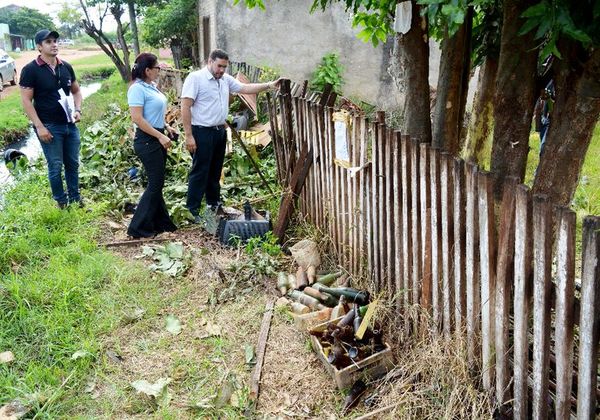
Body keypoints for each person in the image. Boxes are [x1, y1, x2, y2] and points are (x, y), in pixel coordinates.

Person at [180, 49, 282, 223]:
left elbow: (245, 88)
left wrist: (270, 85)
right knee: (200, 171)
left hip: (219, 131)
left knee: (215, 170)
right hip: (202, 131)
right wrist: (188, 135)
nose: (221, 70)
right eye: (219, 66)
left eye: (224, 67)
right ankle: (192, 210)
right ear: (209, 61)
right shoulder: (196, 78)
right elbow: (185, 106)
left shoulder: (225, 80)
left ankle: (213, 204)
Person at [20, 29, 83, 208]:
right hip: (48, 125)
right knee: (55, 165)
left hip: (69, 124)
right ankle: (61, 203)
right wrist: (39, 127)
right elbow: (26, 100)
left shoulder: (66, 67)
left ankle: (76, 200)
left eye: (55, 40)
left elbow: (76, 91)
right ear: (39, 47)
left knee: (72, 163)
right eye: (48, 42)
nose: (54, 44)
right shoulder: (30, 70)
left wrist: (78, 109)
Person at [126, 53, 177, 239]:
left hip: (156, 136)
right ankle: (137, 228)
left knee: (157, 183)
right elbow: (137, 118)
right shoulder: (137, 89)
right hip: (147, 140)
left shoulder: (152, 87)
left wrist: (166, 127)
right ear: (147, 70)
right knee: (155, 184)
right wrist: (160, 136)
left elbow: (153, 114)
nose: (159, 71)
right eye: (157, 68)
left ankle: (162, 223)